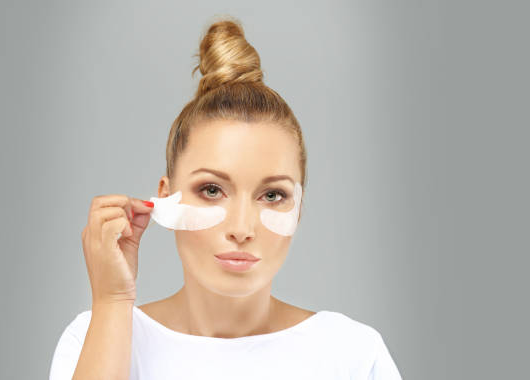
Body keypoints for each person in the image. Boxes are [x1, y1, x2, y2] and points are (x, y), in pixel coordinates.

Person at [49, 17, 403, 380]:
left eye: (272, 195)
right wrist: (112, 303)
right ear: (166, 199)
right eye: (212, 190)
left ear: (298, 209)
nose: (241, 228)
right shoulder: (96, 337)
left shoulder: (352, 355)